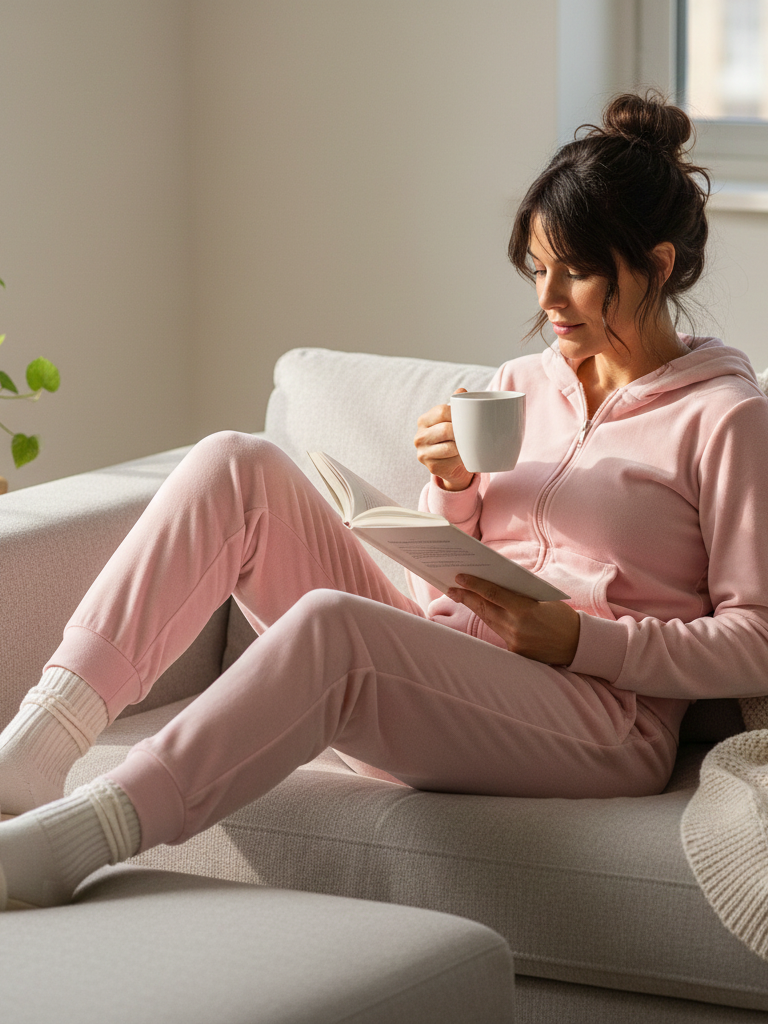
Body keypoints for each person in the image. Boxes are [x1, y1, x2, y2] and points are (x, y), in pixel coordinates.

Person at [2, 91, 768, 912]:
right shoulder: (519, 386)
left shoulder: (727, 417)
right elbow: (448, 596)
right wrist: (455, 492)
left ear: (655, 264)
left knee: (335, 626)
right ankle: (33, 755)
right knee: (234, 462)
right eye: (538, 269)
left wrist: (583, 641)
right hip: (446, 677)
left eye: (576, 273)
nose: (546, 301)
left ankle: (84, 837)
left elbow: (754, 641)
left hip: (601, 722)